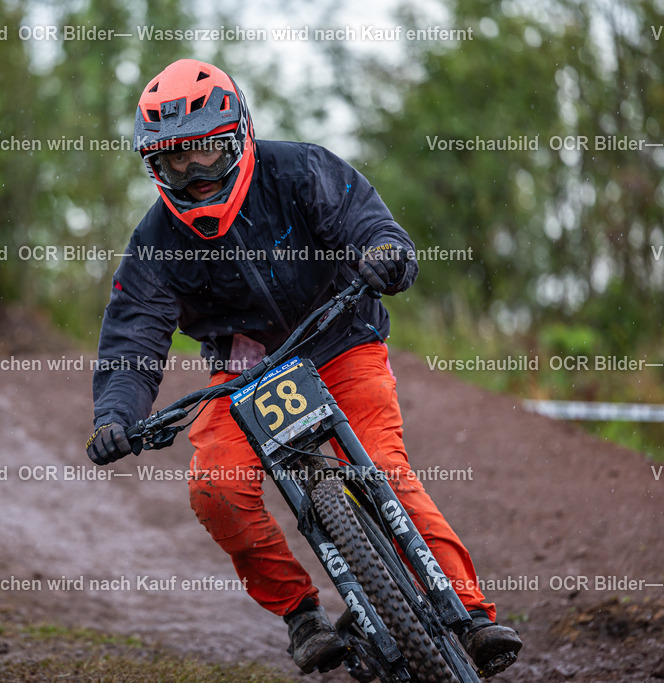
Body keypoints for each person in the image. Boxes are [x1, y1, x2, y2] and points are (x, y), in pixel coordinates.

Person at [85, 58, 522, 677]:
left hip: (341, 341)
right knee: (217, 489)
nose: (196, 171)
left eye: (207, 149)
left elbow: (368, 222)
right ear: (156, 165)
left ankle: (470, 615)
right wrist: (117, 414)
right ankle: (302, 616)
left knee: (383, 470)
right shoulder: (155, 243)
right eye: (176, 159)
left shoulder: (301, 170)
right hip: (244, 373)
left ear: (238, 135)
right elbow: (133, 334)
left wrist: (387, 254)